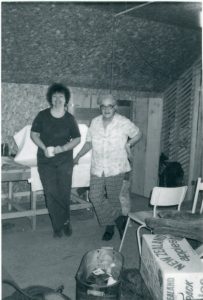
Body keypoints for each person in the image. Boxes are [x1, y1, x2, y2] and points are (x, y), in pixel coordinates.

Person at [74, 94, 141, 241]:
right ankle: (119, 219)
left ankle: (109, 227)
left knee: (113, 198)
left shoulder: (123, 122)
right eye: (103, 106)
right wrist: (78, 156)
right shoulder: (95, 122)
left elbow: (137, 134)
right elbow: (89, 143)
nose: (106, 109)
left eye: (109, 106)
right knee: (94, 196)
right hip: (98, 166)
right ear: (100, 108)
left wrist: (129, 144)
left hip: (116, 166)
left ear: (115, 107)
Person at [31, 83, 81, 238]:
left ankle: (66, 221)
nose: (58, 99)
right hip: (46, 161)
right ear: (50, 99)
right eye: (55, 96)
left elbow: (77, 138)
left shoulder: (69, 118)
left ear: (66, 99)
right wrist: (44, 148)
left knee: (64, 192)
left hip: (65, 160)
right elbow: (34, 135)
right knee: (51, 192)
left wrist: (63, 148)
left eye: (61, 96)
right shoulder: (42, 115)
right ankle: (57, 226)